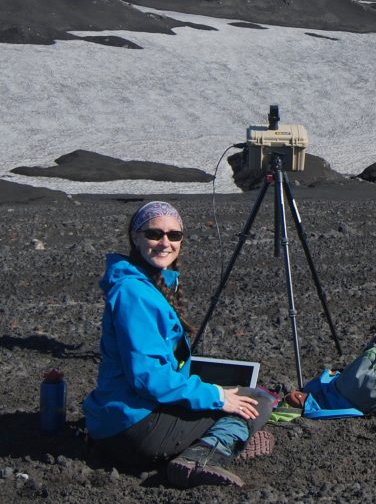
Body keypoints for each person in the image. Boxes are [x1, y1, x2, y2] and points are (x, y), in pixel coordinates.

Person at [83, 201, 276, 488]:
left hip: (118, 421)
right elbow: (149, 378)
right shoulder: (135, 293)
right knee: (257, 401)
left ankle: (216, 438)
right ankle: (202, 458)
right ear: (135, 237)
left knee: (242, 398)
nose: (165, 242)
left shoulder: (143, 285)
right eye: (154, 234)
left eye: (174, 235)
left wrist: (214, 393)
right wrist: (218, 397)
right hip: (134, 428)